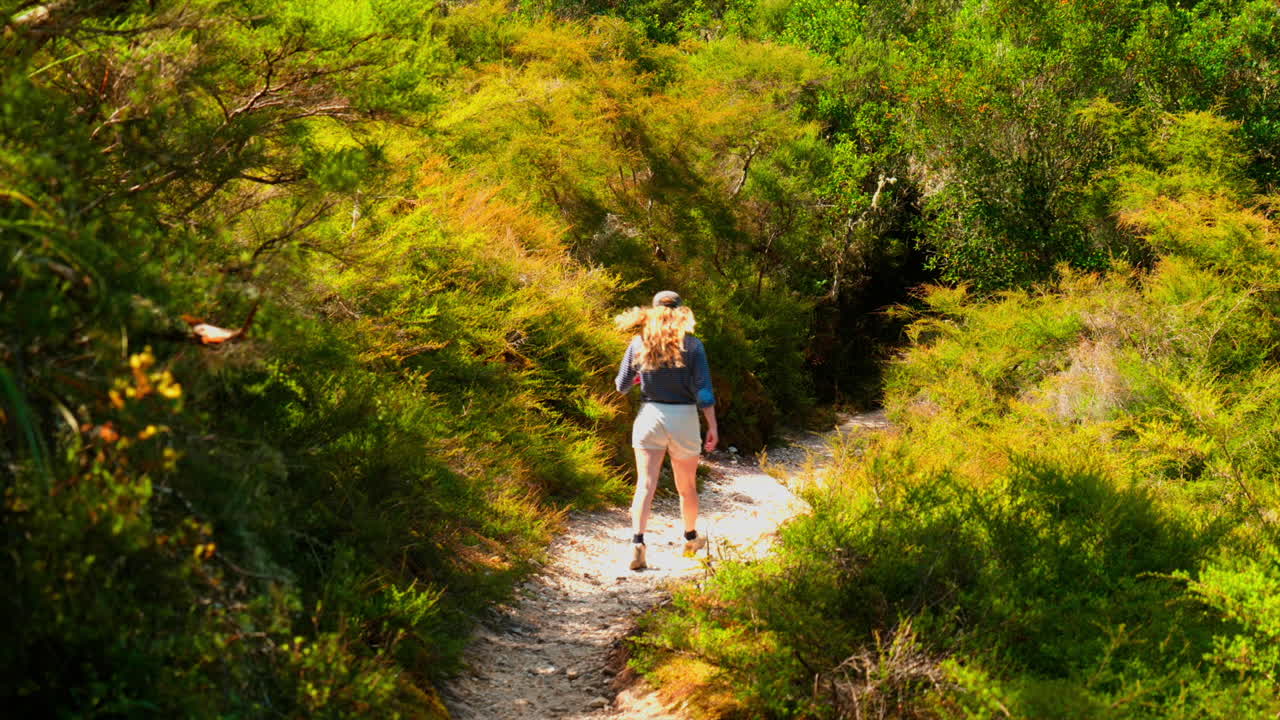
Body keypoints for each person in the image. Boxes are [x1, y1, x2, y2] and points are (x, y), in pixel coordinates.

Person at [614, 290, 718, 571]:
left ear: (653, 311)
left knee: (645, 484)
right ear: (682, 312)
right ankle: (690, 538)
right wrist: (712, 425)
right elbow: (704, 391)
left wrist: (639, 378)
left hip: (650, 416)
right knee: (686, 487)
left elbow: (621, 385)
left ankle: (637, 543)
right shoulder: (694, 346)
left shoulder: (638, 343)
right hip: (683, 417)